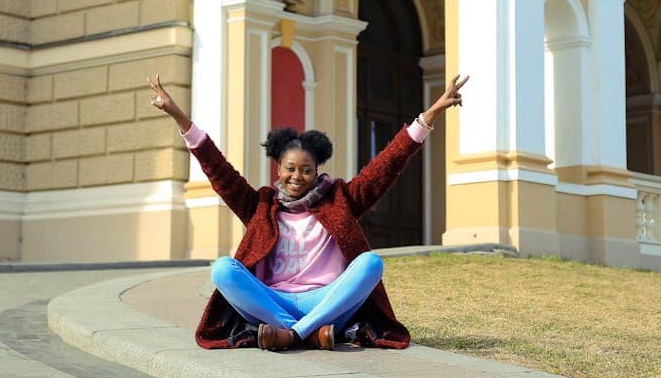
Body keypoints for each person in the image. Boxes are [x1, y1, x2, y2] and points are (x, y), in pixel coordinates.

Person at [146, 73, 468, 351]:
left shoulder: (340, 198)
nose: (296, 177)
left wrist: (430, 115)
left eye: (305, 170)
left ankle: (293, 335)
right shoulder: (260, 204)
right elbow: (218, 170)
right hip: (272, 302)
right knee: (222, 269)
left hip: (326, 302)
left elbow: (386, 166)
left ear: (316, 172)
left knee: (371, 263)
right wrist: (180, 117)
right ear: (278, 167)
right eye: (290, 169)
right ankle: (308, 334)